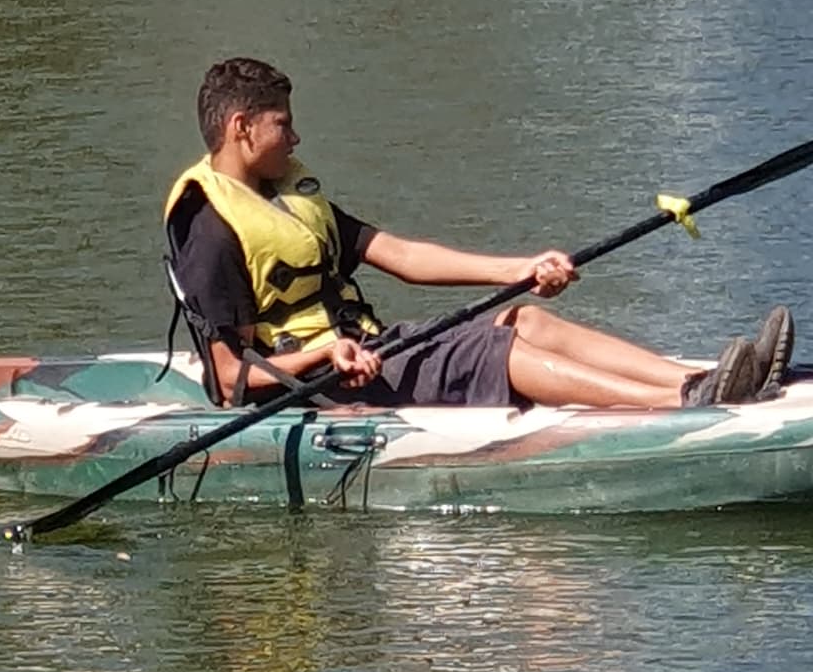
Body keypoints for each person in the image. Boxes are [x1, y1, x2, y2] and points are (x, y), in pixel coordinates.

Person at [164, 57, 794, 411]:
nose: (296, 136)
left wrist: (518, 269)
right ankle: (683, 401)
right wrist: (324, 357)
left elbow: (401, 255)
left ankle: (698, 378)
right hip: (320, 388)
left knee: (524, 319)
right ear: (242, 127)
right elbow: (229, 378)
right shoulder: (210, 227)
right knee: (494, 353)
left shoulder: (283, 195)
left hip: (366, 350)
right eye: (282, 124)